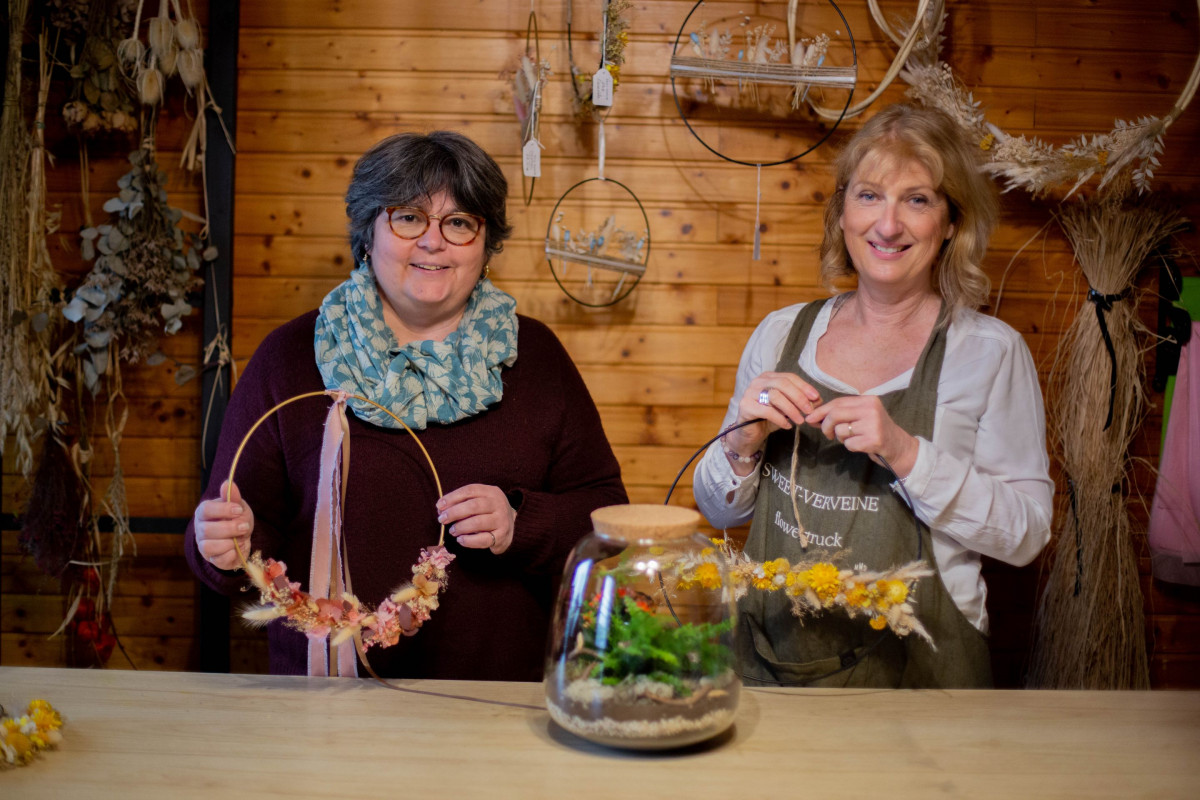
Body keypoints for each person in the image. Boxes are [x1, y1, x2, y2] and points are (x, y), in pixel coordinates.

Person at [186, 131, 627, 681]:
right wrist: (226, 547)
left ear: (485, 246)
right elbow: (226, 538)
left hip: (499, 708)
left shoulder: (536, 358)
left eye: (459, 223)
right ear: (368, 232)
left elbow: (609, 515)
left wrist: (521, 523)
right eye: (409, 218)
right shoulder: (292, 358)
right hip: (330, 707)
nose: (433, 242)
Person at [693, 104, 1052, 688]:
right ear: (841, 213)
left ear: (952, 222)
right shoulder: (781, 334)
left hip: (923, 680)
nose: (888, 226)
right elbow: (720, 510)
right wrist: (741, 442)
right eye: (868, 196)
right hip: (771, 667)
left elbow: (1028, 534)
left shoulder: (989, 352)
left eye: (917, 199)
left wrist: (907, 453)